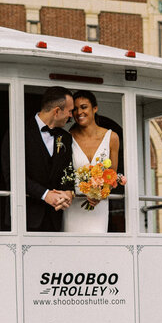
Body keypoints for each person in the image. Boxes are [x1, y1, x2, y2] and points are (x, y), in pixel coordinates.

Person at [64, 90, 122, 234]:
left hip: (98, 206)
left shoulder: (112, 137)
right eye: (75, 109)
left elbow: (112, 174)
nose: (79, 112)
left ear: (95, 108)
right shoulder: (67, 138)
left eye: (83, 107)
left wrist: (100, 194)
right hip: (73, 205)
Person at [25, 86, 75, 231]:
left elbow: (68, 172)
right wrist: (45, 194)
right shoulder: (19, 131)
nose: (71, 116)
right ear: (57, 111)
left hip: (55, 218)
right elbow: (11, 176)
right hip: (27, 217)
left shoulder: (65, 138)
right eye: (70, 111)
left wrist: (68, 192)